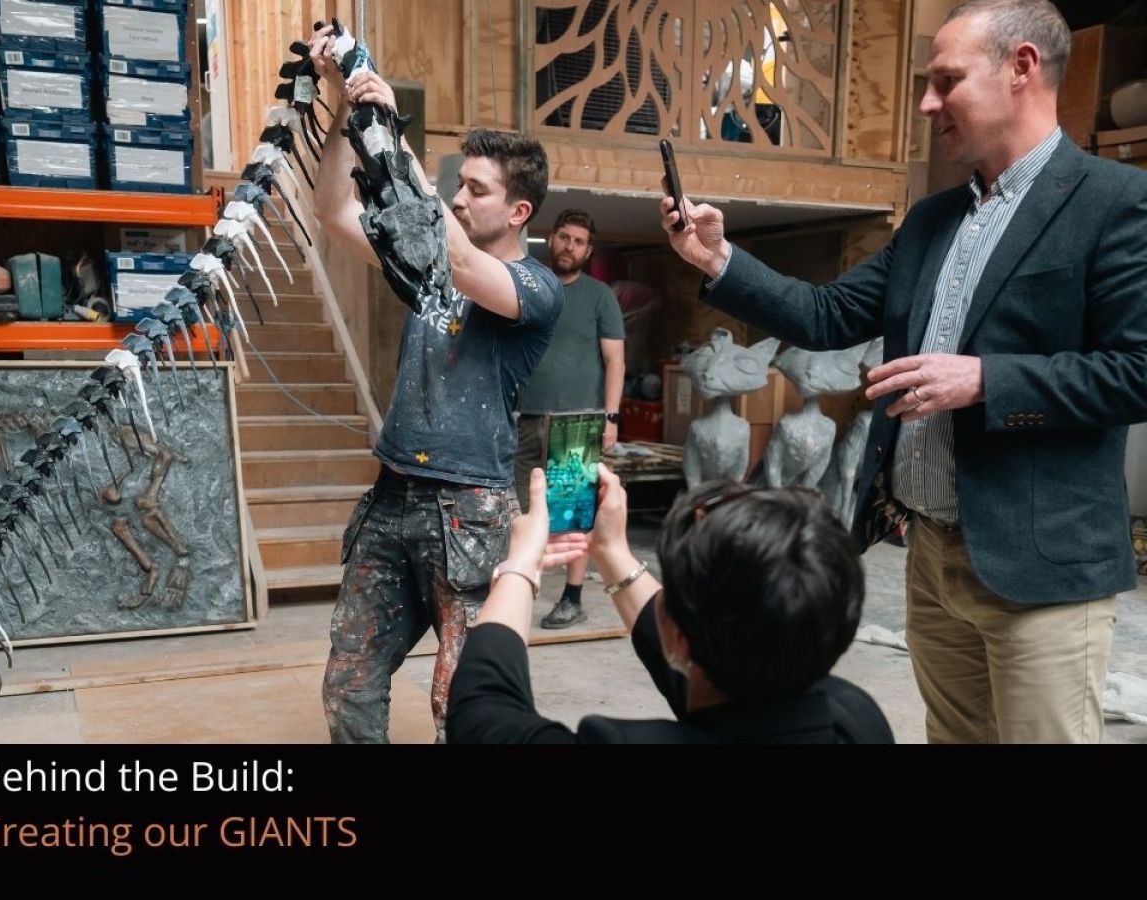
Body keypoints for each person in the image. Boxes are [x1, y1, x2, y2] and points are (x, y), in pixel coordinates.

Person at [660, 0, 1147, 743]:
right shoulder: (930, 219)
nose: (926, 103)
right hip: (931, 558)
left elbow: (1136, 370)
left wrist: (985, 380)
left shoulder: (1115, 203)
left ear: (1021, 68)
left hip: (1042, 568)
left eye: (945, 81)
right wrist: (717, 260)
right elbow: (825, 316)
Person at [308, 25, 563, 743]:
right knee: (348, 685)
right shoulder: (426, 269)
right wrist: (343, 114)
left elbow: (456, 258)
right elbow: (334, 214)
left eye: (476, 191)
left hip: (469, 510)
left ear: (518, 212)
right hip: (392, 497)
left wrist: (392, 127)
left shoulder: (535, 289)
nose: (457, 200)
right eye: (458, 186)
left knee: (463, 703)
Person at [446, 465, 893, 743]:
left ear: (676, 637)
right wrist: (612, 551)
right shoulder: (858, 719)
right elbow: (738, 705)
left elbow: (481, 710)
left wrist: (521, 565)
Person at [514, 209, 625, 629]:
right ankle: (521, 588)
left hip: (580, 420)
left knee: (574, 513)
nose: (570, 246)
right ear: (551, 239)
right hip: (528, 416)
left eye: (579, 241)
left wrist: (611, 416)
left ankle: (572, 598)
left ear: (588, 250)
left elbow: (615, 359)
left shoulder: (600, 296)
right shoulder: (532, 287)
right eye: (564, 237)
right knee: (522, 509)